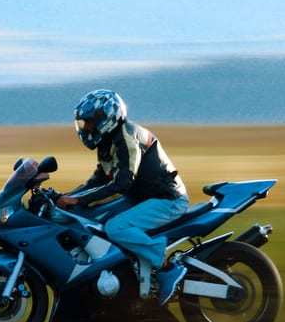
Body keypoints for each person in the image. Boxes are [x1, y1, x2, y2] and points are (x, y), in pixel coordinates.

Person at [57, 89, 189, 302]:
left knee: (115, 227)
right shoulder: (108, 142)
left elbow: (122, 182)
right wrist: (64, 197)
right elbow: (98, 179)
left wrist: (78, 200)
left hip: (166, 200)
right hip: (143, 198)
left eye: (90, 121)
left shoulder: (127, 135)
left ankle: (166, 268)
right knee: (97, 220)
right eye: (84, 123)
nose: (87, 127)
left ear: (107, 118)